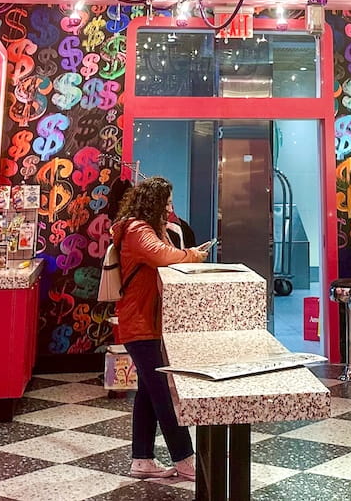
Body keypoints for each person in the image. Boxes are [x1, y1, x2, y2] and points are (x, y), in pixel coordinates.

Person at [110, 177, 211, 480]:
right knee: (162, 393)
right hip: (140, 323)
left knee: (148, 390)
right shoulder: (139, 231)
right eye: (166, 202)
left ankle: (141, 460)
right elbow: (163, 257)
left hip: (145, 321)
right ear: (154, 203)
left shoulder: (147, 229)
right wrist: (192, 254)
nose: (170, 208)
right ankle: (184, 457)